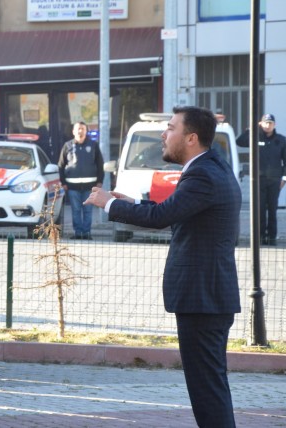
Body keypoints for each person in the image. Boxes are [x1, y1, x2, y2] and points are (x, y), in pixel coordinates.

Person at [85, 106, 240, 427]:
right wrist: (129, 203)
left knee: (207, 389)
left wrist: (109, 203)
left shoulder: (202, 174)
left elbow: (159, 219)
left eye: (170, 128)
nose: (163, 135)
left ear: (191, 138)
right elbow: (171, 210)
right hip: (207, 298)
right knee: (210, 386)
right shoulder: (212, 168)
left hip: (202, 299)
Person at [236, 113, 286, 245]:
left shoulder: (281, 140)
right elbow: (239, 142)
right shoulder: (255, 137)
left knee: (272, 209)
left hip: (275, 181)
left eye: (270, 123)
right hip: (258, 180)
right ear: (261, 124)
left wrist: (284, 179)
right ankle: (260, 236)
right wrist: (251, 129)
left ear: (274, 125)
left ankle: (272, 238)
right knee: (260, 210)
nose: (268, 125)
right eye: (266, 123)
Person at [58, 121, 104, 240]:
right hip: (72, 187)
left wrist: (100, 181)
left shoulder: (93, 145)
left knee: (88, 211)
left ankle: (87, 233)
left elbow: (100, 164)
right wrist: (63, 183)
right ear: (73, 131)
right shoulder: (67, 146)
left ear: (86, 131)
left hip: (90, 187)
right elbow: (61, 165)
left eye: (82, 129)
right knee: (76, 210)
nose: (80, 131)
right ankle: (78, 233)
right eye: (78, 129)